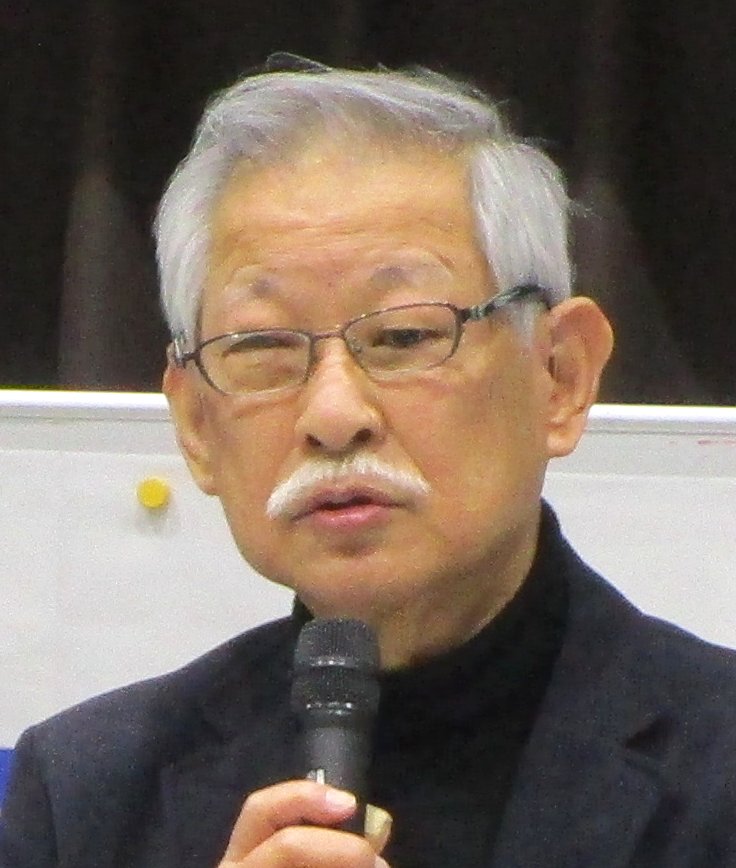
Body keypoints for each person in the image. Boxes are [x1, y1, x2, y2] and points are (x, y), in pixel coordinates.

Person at [2, 54, 736, 868]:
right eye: (263, 348)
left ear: (560, 376)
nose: (333, 415)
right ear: (197, 425)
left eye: (404, 336)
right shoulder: (84, 798)